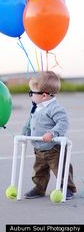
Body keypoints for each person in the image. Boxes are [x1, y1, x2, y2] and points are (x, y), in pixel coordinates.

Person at [22, 71, 77, 200]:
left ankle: (67, 188)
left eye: (32, 93)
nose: (30, 96)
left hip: (53, 148)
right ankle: (39, 188)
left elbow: (63, 123)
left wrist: (52, 133)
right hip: (39, 148)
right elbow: (29, 122)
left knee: (61, 169)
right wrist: (25, 133)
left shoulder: (55, 108)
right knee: (39, 170)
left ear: (44, 95)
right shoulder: (36, 107)